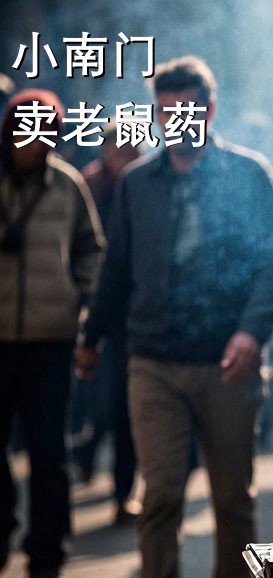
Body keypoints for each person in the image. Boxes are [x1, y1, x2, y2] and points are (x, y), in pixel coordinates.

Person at [76, 55, 273, 578]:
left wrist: (252, 333)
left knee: (232, 503)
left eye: (187, 110)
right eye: (165, 112)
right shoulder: (139, 185)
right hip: (154, 365)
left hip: (228, 364)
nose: (176, 122)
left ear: (209, 109)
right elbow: (116, 271)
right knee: (160, 497)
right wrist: (91, 339)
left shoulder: (248, 175)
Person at [0, 88, 103, 578]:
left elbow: (92, 247)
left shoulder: (67, 185)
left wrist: (78, 297)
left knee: (48, 452)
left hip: (51, 338)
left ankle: (47, 558)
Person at [72, 124, 142, 525]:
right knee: (107, 405)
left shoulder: (147, 184)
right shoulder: (90, 186)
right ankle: (86, 449)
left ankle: (121, 493)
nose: (127, 156)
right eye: (121, 148)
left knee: (126, 411)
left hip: (140, 315)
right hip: (102, 311)